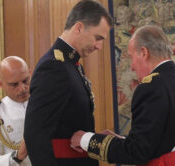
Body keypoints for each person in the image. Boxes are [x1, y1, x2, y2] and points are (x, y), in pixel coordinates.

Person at [71, 25, 175, 166]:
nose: (131, 67)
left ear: (144, 52)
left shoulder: (151, 87)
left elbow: (136, 153)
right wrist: (120, 140)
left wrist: (86, 139)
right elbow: (164, 141)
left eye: (132, 57)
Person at [23, 1, 113, 166]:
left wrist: (93, 138)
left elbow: (67, 126)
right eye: (98, 38)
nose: (99, 46)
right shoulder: (53, 67)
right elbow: (35, 135)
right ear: (79, 28)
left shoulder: (71, 66)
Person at [0, 56, 31, 166]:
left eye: (25, 80)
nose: (22, 88)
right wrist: (17, 156)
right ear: (0, 84)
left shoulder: (46, 103)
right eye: (14, 84)